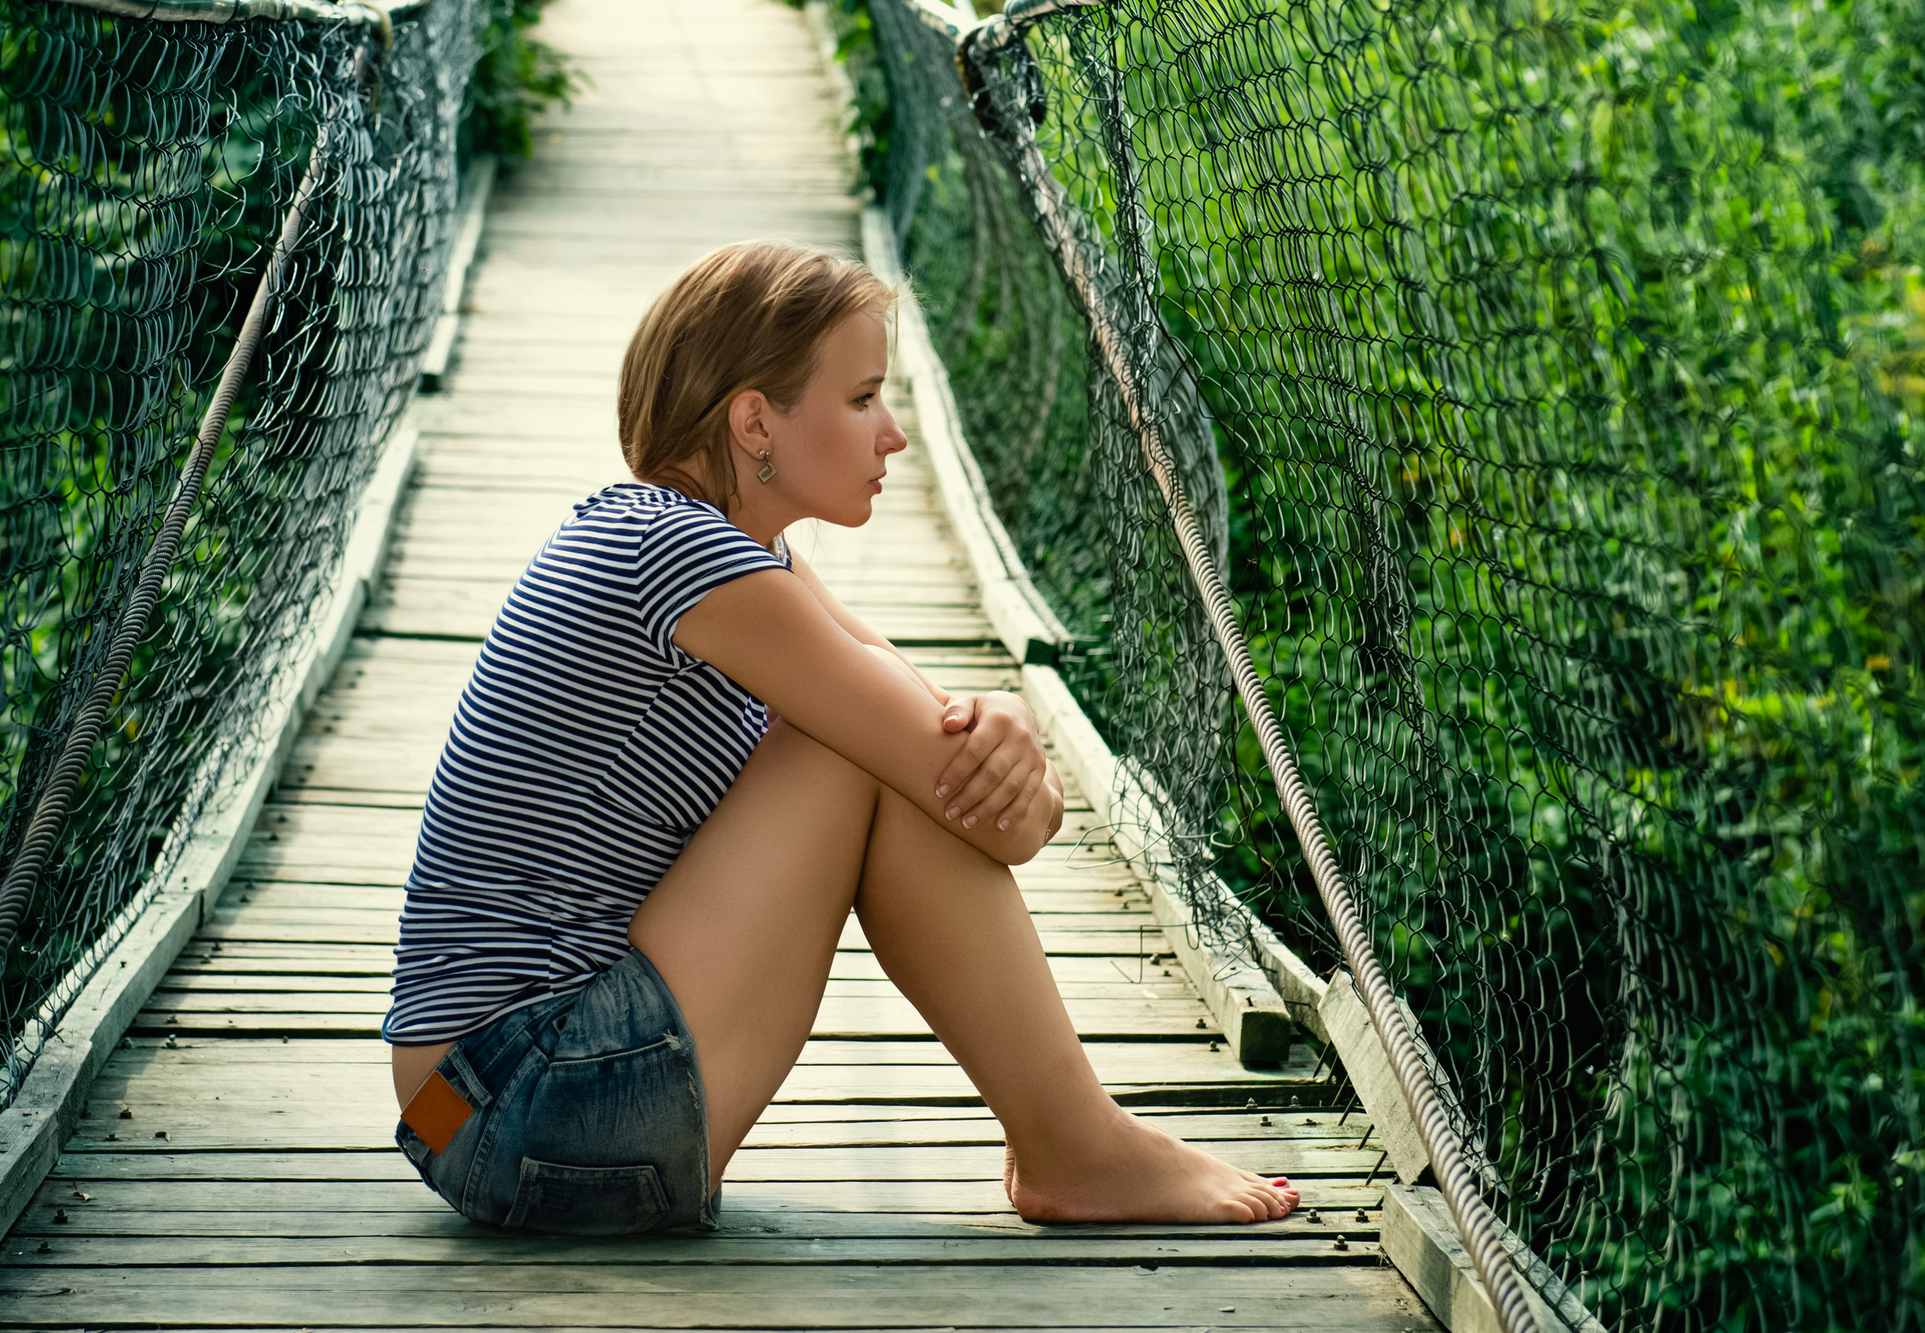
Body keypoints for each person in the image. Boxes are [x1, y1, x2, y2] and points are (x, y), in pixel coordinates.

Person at [383, 239, 1299, 1235]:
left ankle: (1074, 1142)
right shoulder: (680, 553)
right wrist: (988, 740)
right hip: (521, 1103)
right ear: (753, 420)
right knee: (848, 750)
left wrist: (1004, 720)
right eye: (862, 397)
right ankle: (1074, 1143)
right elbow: (974, 801)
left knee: (866, 739)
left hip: (454, 1112)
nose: (893, 434)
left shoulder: (723, 555)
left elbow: (945, 743)